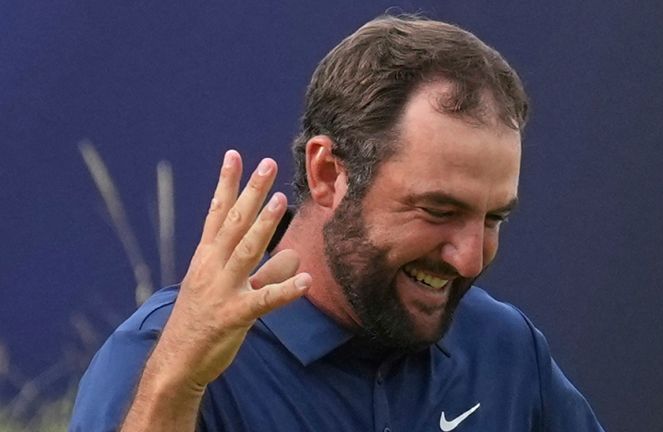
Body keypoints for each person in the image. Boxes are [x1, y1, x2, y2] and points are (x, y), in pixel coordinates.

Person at [69, 15, 604, 431]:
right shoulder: (164, 359)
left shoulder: (504, 348)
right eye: (438, 211)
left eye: (494, 218)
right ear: (327, 173)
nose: (468, 259)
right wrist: (174, 386)